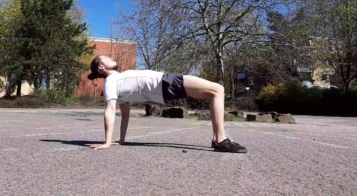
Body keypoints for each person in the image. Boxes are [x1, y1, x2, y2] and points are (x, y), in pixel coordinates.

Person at [87, 55, 247, 153]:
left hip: (165, 84)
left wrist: (121, 140)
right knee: (218, 89)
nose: (110, 57)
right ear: (102, 66)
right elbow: (110, 109)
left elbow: (125, 115)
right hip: (165, 83)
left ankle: (217, 138)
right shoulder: (111, 81)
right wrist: (107, 142)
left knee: (214, 93)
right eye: (106, 57)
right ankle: (220, 140)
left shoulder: (118, 78)